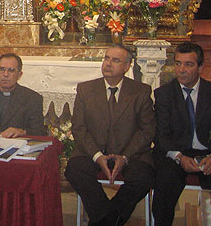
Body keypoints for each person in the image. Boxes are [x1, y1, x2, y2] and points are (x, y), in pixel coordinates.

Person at [65, 45, 155, 226]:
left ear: (127, 66)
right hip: (93, 152)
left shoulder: (141, 91)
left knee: (143, 177)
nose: (108, 64)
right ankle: (109, 219)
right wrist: (97, 156)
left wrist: (125, 157)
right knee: (74, 170)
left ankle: (104, 220)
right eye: (106, 58)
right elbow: (79, 128)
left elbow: (147, 131)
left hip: (130, 153)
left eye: (115, 60)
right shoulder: (86, 89)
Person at [152, 42, 211, 226]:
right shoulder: (164, 94)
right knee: (165, 184)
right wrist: (179, 157)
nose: (181, 70)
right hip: (176, 153)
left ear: (201, 67)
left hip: (208, 153)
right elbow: (160, 134)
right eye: (178, 63)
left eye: (188, 64)